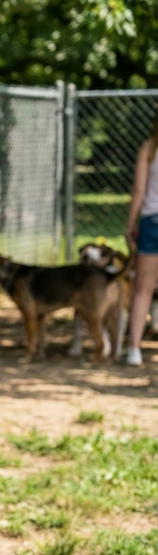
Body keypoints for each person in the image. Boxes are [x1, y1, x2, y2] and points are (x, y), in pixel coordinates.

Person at [123, 106, 158, 367]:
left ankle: (134, 349)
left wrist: (130, 224)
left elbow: (139, 190)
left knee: (143, 288)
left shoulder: (149, 147)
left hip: (151, 222)